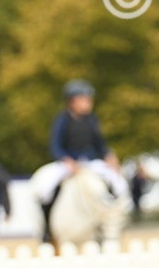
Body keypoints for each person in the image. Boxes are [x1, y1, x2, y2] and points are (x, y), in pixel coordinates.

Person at [35, 80, 130, 241]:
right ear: (73, 101)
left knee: (118, 182)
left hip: (90, 162)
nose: (88, 102)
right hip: (69, 163)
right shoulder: (62, 120)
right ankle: (47, 227)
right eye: (85, 99)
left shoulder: (92, 120)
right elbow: (56, 145)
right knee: (46, 187)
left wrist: (108, 156)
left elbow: (100, 144)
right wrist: (66, 160)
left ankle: (111, 220)